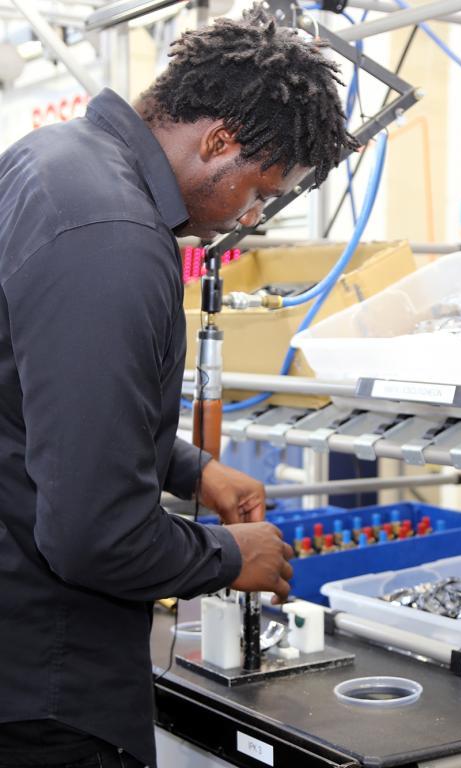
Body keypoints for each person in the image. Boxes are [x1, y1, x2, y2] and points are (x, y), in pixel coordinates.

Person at [0, 5, 357, 768]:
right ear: (217, 141)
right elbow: (93, 534)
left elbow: (45, 398)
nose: (249, 219)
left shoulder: (51, 160)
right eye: (259, 192)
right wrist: (230, 556)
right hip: (47, 688)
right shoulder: (116, 239)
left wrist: (191, 468)